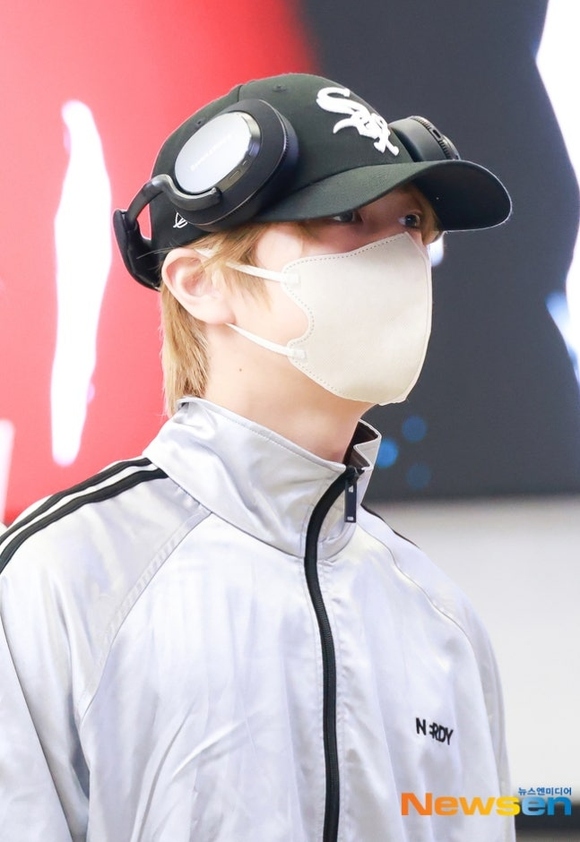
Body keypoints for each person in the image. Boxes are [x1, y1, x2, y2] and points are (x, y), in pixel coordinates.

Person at [0, 73, 515, 841]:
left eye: (411, 222)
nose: (398, 255)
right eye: (346, 216)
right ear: (202, 283)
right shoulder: (58, 581)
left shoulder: (442, 621)